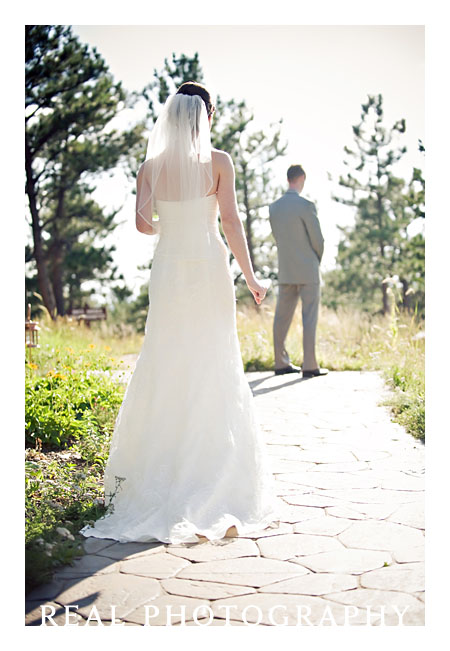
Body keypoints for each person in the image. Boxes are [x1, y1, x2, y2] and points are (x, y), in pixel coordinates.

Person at [80, 82, 279, 545]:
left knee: (165, 357)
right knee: (212, 359)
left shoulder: (150, 167)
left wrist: (174, 218)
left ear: (170, 117)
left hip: (169, 269)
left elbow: (144, 225)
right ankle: (213, 472)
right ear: (206, 115)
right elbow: (230, 222)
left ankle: (157, 470)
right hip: (210, 267)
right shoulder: (220, 162)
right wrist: (250, 278)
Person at [269, 164, 328, 378]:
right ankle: (310, 365)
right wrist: (315, 260)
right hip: (308, 269)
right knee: (309, 317)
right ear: (302, 178)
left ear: (288, 179)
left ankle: (280, 362)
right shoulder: (306, 205)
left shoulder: (274, 207)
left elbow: (279, 238)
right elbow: (318, 240)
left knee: (281, 318)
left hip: (285, 269)